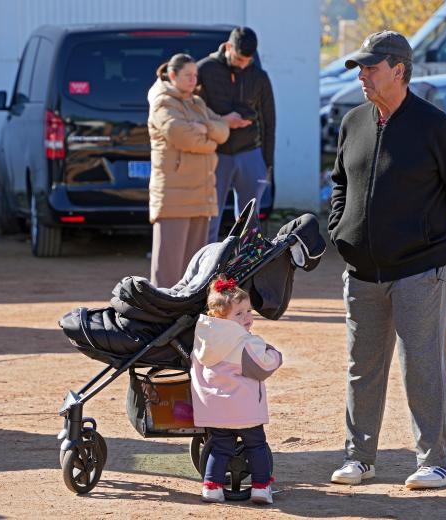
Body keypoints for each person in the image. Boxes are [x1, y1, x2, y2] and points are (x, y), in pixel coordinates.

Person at [327, 31, 446, 490]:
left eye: (371, 68)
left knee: (422, 364)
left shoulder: (436, 127)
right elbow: (340, 182)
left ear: (399, 70)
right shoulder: (353, 121)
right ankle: (360, 458)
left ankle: (438, 461)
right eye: (359, 68)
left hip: (422, 269)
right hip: (362, 272)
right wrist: (342, 228)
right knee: (362, 367)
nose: (362, 76)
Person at [190, 275, 282, 504]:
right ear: (220, 316)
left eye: (249, 311)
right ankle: (261, 488)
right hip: (244, 408)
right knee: (256, 445)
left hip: (215, 409)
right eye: (239, 314)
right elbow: (265, 365)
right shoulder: (244, 342)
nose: (248, 317)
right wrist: (273, 352)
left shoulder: (203, 340)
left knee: (220, 448)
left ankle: (211, 487)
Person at [147, 54, 235, 287]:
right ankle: (160, 316)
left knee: (194, 268)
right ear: (173, 75)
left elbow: (223, 130)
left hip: (201, 195)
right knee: (168, 270)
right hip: (174, 196)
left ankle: (186, 318)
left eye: (195, 75)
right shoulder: (163, 102)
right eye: (188, 75)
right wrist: (210, 142)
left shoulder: (197, 102)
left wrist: (204, 127)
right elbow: (182, 136)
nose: (193, 80)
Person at [196, 26, 276, 243]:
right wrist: (222, 121)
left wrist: (266, 162)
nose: (243, 64)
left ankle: (247, 268)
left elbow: (269, 121)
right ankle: (206, 268)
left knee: (249, 221)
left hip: (251, 153)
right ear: (228, 47)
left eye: (247, 61)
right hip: (215, 153)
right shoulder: (204, 69)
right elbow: (193, 110)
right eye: (239, 59)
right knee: (210, 217)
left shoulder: (259, 77)